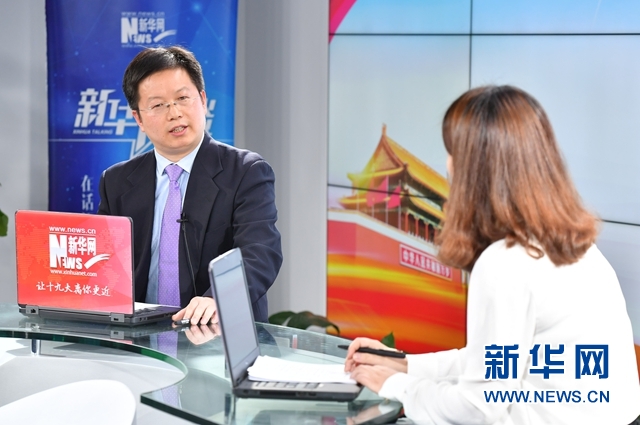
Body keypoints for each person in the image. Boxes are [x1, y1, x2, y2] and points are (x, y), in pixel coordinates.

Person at [344, 85, 640, 424]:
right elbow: (498, 360)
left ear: (473, 169)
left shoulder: (505, 262)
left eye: (452, 152)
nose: (447, 164)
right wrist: (405, 364)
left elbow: (478, 406)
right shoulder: (574, 244)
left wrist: (396, 385)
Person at [98, 46, 282, 324]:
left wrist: (217, 300)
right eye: (158, 105)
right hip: (138, 335)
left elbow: (260, 253)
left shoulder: (246, 172)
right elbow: (105, 264)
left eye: (183, 98)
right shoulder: (116, 181)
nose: (174, 113)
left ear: (203, 100)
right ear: (138, 118)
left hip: (217, 332)